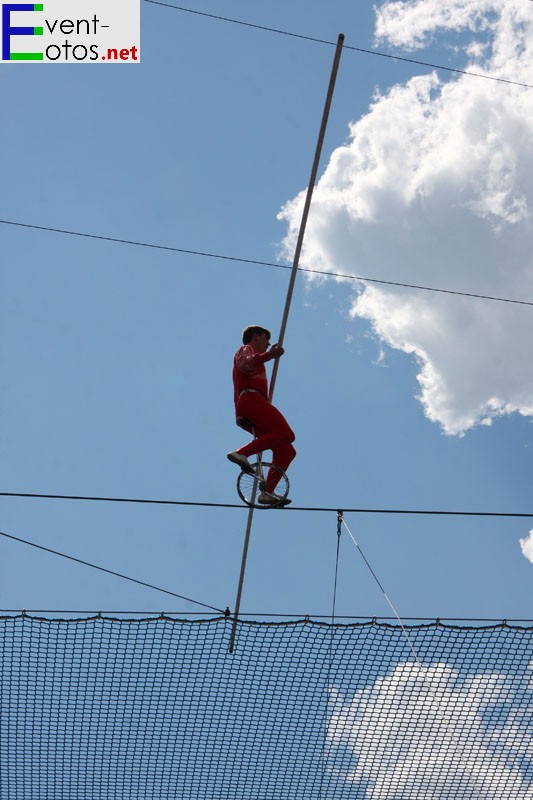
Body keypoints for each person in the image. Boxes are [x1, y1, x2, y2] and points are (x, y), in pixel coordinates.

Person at [227, 325, 296, 506]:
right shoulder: (245, 350)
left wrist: (239, 414)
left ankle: (268, 492)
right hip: (251, 399)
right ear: (256, 337)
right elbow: (244, 363)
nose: (267, 344)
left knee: (287, 450)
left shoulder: (256, 359)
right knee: (286, 434)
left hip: (250, 403)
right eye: (266, 339)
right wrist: (269, 356)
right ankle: (241, 453)